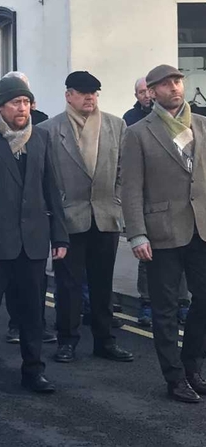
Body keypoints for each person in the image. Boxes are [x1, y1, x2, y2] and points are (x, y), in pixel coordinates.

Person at [0, 76, 69, 397]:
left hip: (32, 242)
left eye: (26, 103)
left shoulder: (40, 138)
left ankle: (33, 371)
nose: (23, 109)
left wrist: (59, 237)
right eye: (16, 103)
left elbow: (52, 189)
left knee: (33, 313)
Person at [122, 64, 206, 403]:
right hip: (161, 232)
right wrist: (137, 235)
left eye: (178, 81)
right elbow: (130, 188)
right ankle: (174, 378)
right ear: (152, 91)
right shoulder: (139, 133)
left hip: (201, 229)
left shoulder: (203, 124)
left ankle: (192, 367)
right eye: (166, 84)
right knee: (166, 308)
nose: (174, 87)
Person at [38, 71, 134, 364]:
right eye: (83, 92)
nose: (90, 97)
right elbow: (43, 178)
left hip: (105, 215)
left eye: (94, 92)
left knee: (103, 284)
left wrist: (116, 202)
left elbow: (124, 171)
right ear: (69, 95)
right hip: (69, 217)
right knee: (68, 284)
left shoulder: (117, 126)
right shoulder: (48, 129)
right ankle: (67, 341)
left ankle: (105, 341)